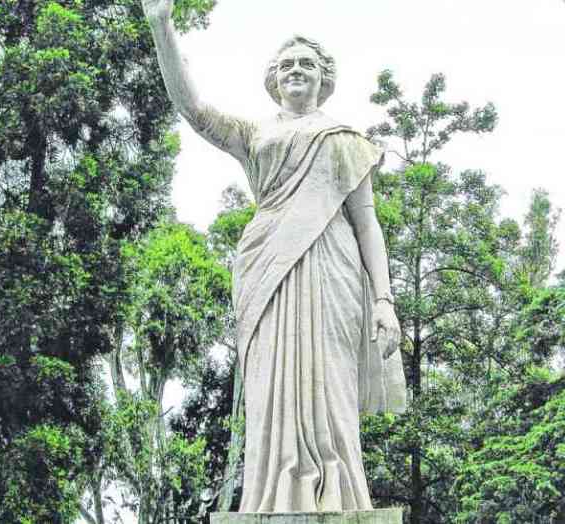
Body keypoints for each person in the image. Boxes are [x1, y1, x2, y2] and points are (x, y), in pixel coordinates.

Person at [143, 0, 406, 513]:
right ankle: (274, 490)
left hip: (333, 271)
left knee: (329, 382)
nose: (296, 71)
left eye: (306, 63)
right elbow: (194, 111)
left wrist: (384, 299)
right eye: (287, 65)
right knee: (271, 389)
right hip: (267, 272)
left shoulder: (345, 140)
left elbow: (367, 222)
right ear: (272, 79)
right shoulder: (254, 134)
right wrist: (162, 26)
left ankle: (337, 489)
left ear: (325, 79)